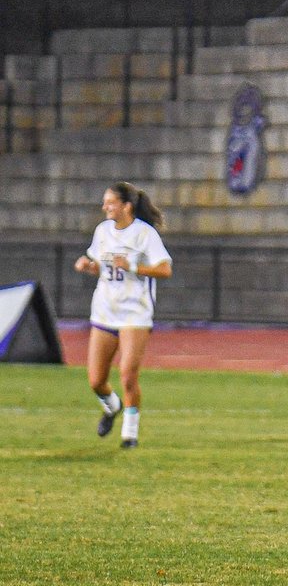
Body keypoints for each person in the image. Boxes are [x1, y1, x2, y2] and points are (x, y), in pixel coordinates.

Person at [72, 182, 173, 448]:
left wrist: (134, 266)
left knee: (128, 374)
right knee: (96, 380)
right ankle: (111, 406)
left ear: (126, 206)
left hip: (134, 313)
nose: (105, 207)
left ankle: (130, 434)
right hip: (105, 311)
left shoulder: (144, 234)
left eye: (110, 202)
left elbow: (164, 270)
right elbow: (104, 268)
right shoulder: (102, 231)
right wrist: (88, 266)